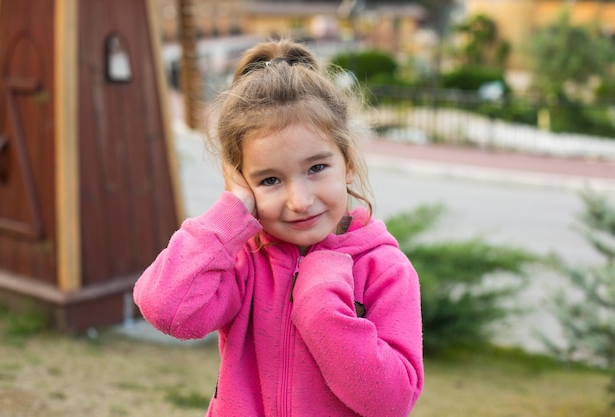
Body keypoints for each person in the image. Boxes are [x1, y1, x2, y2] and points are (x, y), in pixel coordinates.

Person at [133, 38, 424, 416]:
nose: (299, 201)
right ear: (242, 182)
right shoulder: (244, 259)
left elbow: (390, 401)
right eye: (269, 180)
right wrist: (230, 214)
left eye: (316, 168)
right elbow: (166, 309)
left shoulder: (385, 270)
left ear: (348, 162)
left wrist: (321, 304)